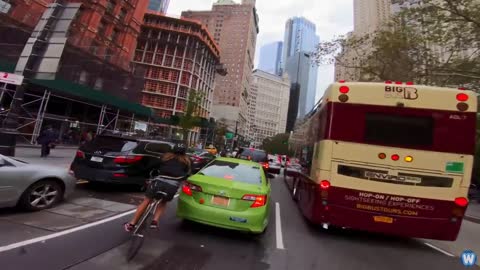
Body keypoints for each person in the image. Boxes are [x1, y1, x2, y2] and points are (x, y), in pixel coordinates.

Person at [124, 143, 191, 231]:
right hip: (171, 187)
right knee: (163, 201)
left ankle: (131, 224)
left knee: (147, 201)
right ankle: (155, 221)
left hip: (158, 183)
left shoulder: (165, 157)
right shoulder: (187, 161)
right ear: (184, 152)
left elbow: (152, 166)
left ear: (173, 150)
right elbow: (187, 174)